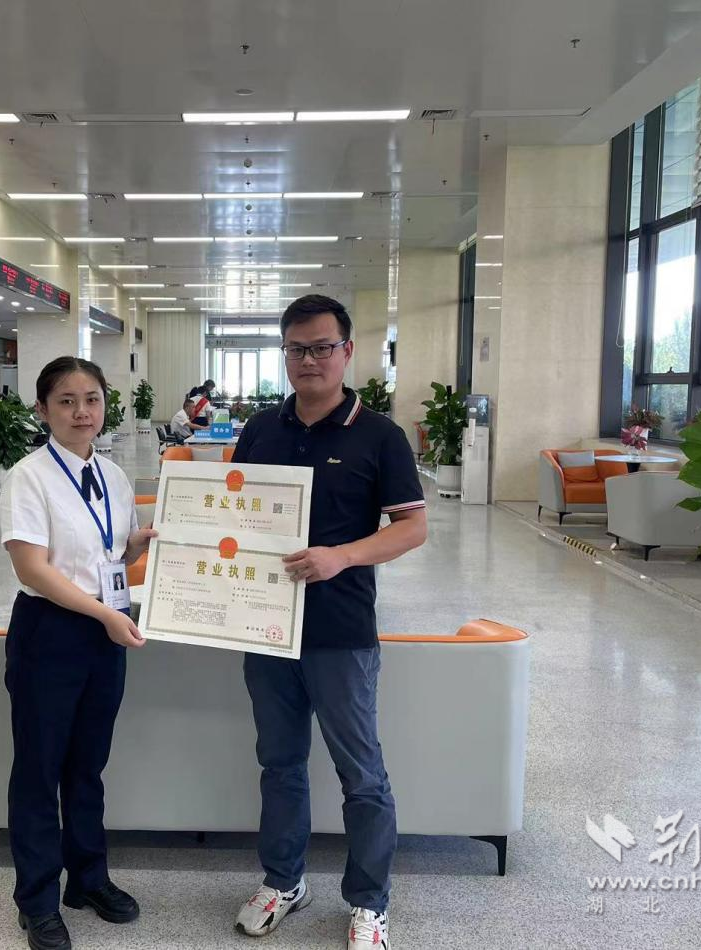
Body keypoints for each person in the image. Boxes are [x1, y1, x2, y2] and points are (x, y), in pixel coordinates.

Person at [230, 295, 427, 950]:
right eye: (296, 348)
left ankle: (370, 902)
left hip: (340, 633)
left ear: (347, 351)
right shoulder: (261, 428)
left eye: (321, 347)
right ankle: (283, 881)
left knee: (360, 773)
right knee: (279, 762)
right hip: (266, 626)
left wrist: (342, 555)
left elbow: (412, 528)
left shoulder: (380, 436)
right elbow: (232, 514)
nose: (308, 360)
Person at [0, 356, 156, 950]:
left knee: (87, 765)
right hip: (51, 631)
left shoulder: (113, 476)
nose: (81, 412)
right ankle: (37, 900)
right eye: (66, 401)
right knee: (39, 770)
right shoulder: (29, 477)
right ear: (43, 410)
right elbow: (33, 569)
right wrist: (105, 615)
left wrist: (135, 546)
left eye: (91, 399)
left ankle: (88, 879)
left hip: (104, 629)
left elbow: (109, 557)